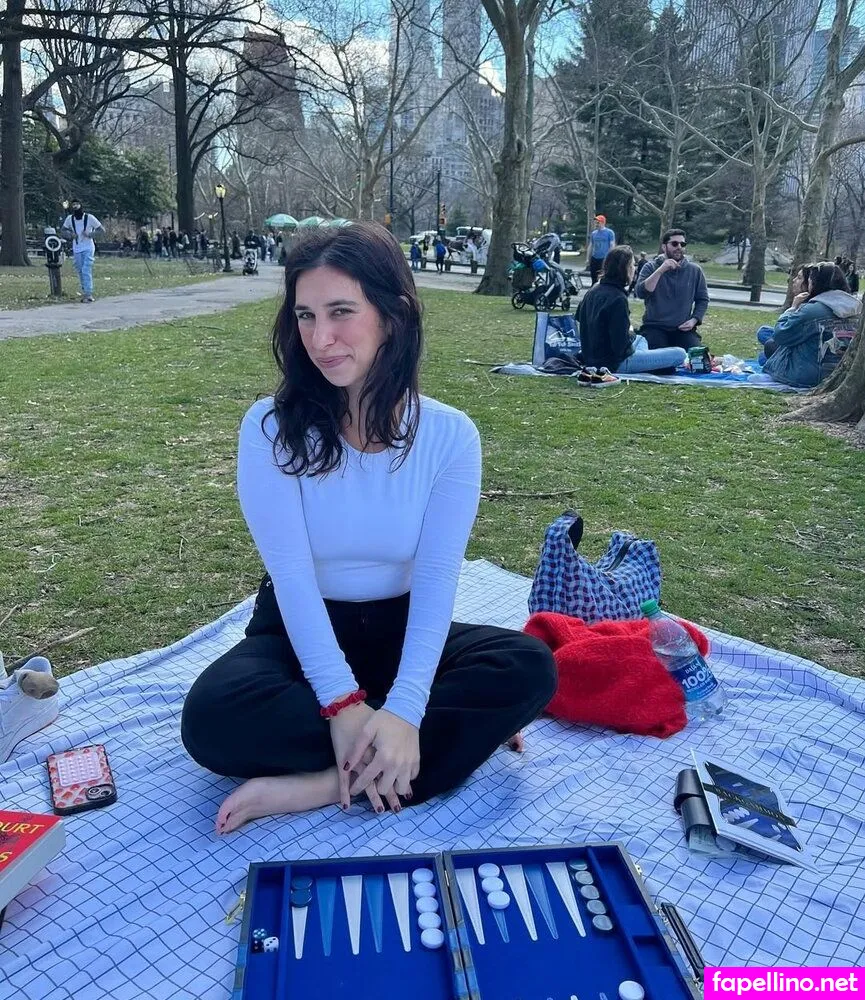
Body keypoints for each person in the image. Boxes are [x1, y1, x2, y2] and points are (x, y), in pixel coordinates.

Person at [180, 222, 557, 833]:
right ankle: (429, 746)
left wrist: (406, 707)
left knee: (529, 666)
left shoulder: (449, 436)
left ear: (393, 314)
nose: (319, 338)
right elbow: (291, 576)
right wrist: (341, 703)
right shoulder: (269, 429)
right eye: (305, 315)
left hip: (398, 630)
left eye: (341, 312)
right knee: (212, 720)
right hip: (299, 632)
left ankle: (328, 783)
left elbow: (436, 578)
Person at [576, 246, 688, 375]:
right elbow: (620, 347)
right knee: (680, 353)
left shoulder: (593, 290)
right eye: (633, 265)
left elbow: (579, 319)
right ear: (626, 268)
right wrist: (628, 332)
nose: (634, 269)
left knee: (641, 339)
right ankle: (652, 366)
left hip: (591, 356)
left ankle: (650, 364)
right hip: (614, 363)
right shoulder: (617, 298)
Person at [760, 260, 861, 388]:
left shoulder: (813, 310)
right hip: (841, 369)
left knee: (766, 347)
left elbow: (781, 335)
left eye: (809, 280)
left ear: (817, 283)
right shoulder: (857, 307)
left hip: (810, 375)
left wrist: (793, 308)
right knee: (765, 334)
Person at [635, 229, 709, 351]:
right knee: (659, 360)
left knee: (698, 357)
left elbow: (703, 299)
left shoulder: (694, 270)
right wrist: (661, 270)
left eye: (682, 244)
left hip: (682, 329)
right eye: (674, 244)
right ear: (664, 247)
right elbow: (640, 293)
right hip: (654, 327)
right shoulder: (651, 267)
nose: (679, 247)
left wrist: (694, 320)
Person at [60, 199, 103, 303]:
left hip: (88, 247)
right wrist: (70, 235)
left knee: (86, 269)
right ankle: (84, 291)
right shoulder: (70, 219)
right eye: (73, 204)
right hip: (77, 248)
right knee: (80, 270)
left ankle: (88, 293)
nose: (75, 206)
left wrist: (90, 234)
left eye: (77, 204)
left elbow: (101, 230)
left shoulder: (89, 218)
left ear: (81, 205)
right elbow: (63, 231)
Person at [588, 215, 616, 285]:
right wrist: (588, 258)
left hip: (604, 258)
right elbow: (591, 245)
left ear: (603, 223)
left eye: (598, 222)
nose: (596, 224)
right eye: (596, 223)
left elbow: (612, 245)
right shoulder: (594, 233)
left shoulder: (609, 232)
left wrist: (610, 258)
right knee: (593, 277)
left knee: (603, 277)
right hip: (595, 258)